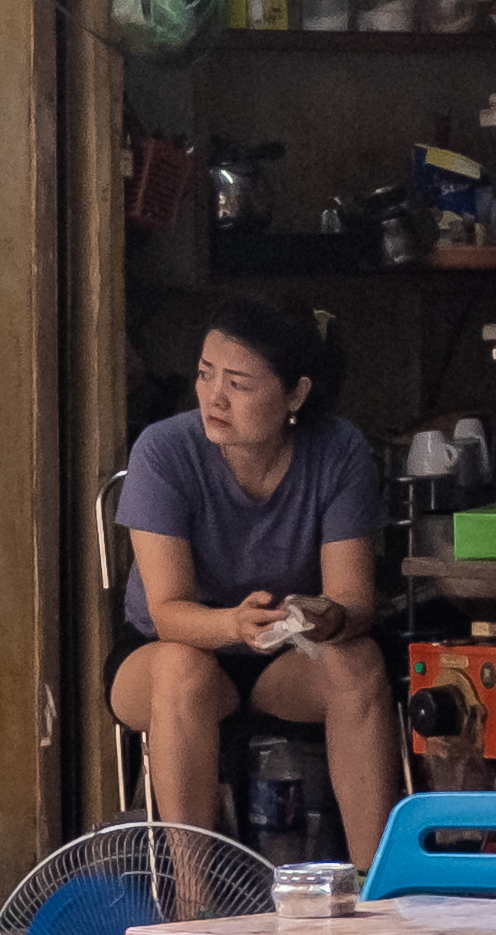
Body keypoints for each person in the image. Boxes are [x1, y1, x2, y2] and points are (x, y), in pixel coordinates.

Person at [107, 304, 397, 866]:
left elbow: (355, 598)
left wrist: (327, 617)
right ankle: (196, 913)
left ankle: (376, 898)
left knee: (356, 663)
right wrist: (232, 624)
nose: (214, 397)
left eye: (238, 383)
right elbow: (167, 612)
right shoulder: (164, 451)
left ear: (296, 395)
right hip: (167, 650)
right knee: (182, 670)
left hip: (284, 655)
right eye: (204, 373)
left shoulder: (338, 451)